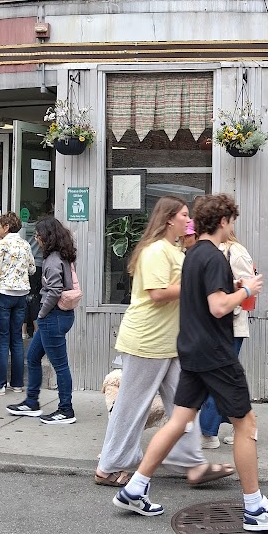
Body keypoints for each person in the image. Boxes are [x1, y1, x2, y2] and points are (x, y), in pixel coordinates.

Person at [113, 194, 268, 533]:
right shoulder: (214, 256)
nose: (232, 227)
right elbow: (217, 307)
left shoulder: (193, 253)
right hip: (215, 353)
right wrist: (248, 289)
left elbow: (202, 294)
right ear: (224, 221)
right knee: (246, 424)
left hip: (190, 350)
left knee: (179, 420)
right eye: (232, 221)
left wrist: (234, 286)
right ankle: (255, 509)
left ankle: (136, 487)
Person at [95, 196, 233, 487]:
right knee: (133, 406)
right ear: (170, 219)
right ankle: (109, 466)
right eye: (184, 215)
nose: (189, 219)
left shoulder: (174, 250)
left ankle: (191, 463)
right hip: (147, 342)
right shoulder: (157, 250)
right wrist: (196, 285)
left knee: (184, 403)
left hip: (169, 344)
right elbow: (157, 293)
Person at [6, 217, 78, 424]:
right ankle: (31, 402)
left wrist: (41, 313)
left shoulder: (53, 260)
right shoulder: (63, 256)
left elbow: (54, 290)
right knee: (33, 356)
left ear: (48, 237)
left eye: (38, 235)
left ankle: (66, 410)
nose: (36, 239)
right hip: (59, 316)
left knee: (60, 365)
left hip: (52, 317)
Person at [201, 229, 254, 449]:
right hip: (212, 324)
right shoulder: (208, 250)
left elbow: (248, 288)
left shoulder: (236, 251)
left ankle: (208, 431)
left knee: (219, 377)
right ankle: (241, 424)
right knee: (225, 378)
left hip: (229, 325)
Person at [0, 211, 35, 395]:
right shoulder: (25, 244)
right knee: (16, 339)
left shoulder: (1, 245)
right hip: (21, 294)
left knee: (2, 339)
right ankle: (17, 383)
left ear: (6, 227)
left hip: (3, 293)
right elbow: (32, 269)